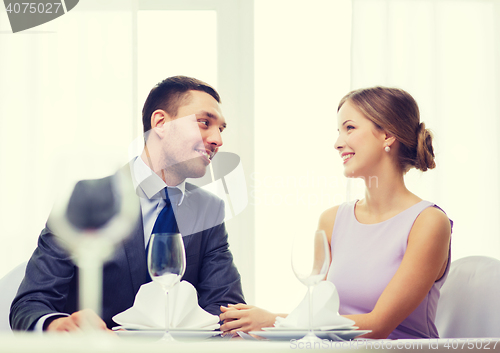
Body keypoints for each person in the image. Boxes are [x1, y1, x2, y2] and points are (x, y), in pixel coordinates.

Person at [10, 76, 245, 332]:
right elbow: (31, 304)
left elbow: (225, 308)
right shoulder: (88, 197)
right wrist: (58, 326)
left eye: (220, 129)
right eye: (204, 123)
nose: (217, 140)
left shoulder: (209, 209)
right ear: (161, 123)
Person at [219, 86, 452, 339]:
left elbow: (378, 325)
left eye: (349, 128)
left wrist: (271, 322)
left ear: (387, 135)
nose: (338, 143)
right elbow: (315, 316)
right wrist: (257, 332)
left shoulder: (428, 222)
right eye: (339, 131)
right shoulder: (331, 221)